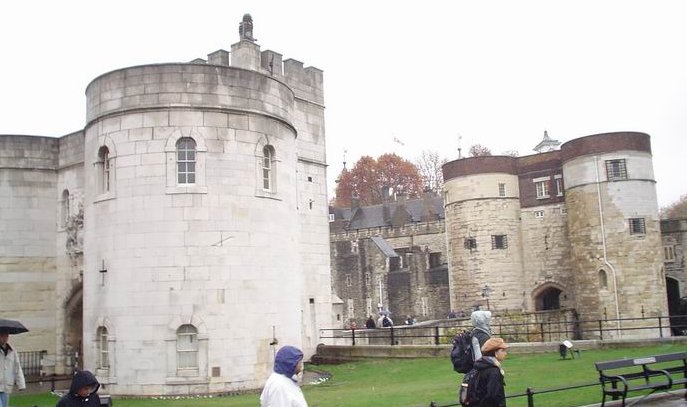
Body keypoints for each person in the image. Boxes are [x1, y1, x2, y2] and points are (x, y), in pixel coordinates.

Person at [471, 337, 509, 407]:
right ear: (495, 352)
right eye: (502, 350)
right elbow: (493, 395)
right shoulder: (494, 371)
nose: (505, 353)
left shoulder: (480, 366)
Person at [0, 331, 25, 407]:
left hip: (6, 386)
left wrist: (21, 384)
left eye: (6, 335)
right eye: (2, 335)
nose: (5, 338)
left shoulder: (12, 351)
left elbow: (17, 367)